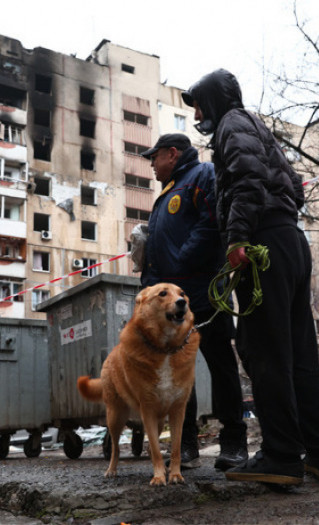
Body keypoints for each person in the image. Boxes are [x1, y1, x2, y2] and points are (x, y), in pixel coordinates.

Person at [182, 69, 319, 485]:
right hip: (288, 239)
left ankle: (282, 455)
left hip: (262, 244)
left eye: (198, 104)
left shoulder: (232, 124)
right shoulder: (257, 126)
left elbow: (248, 179)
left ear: (214, 100)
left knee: (262, 349)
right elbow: (295, 186)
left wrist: (237, 237)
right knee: (301, 354)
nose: (197, 113)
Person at [138, 133, 248, 471]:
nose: (152, 165)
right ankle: (185, 445)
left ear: (172, 153)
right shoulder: (168, 191)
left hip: (203, 291)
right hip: (172, 302)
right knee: (177, 372)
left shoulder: (202, 175)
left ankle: (234, 443)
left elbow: (211, 222)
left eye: (154, 157)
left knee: (221, 366)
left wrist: (182, 260)